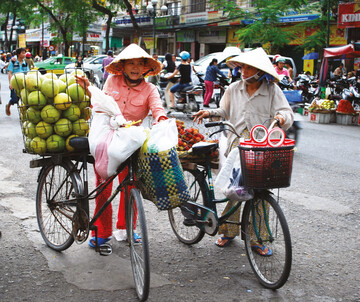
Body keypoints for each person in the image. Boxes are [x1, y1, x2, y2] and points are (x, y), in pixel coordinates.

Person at [193, 47, 294, 251]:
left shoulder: (272, 90)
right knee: (235, 190)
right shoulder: (233, 88)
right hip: (237, 144)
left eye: (249, 68)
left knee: (260, 191)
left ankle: (258, 238)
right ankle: (227, 232)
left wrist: (281, 118)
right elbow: (224, 111)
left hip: (262, 146)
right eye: (243, 67)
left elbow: (286, 112)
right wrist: (209, 112)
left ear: (259, 71)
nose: (244, 71)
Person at [75, 43, 167, 248]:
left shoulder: (150, 89)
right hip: (108, 139)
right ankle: (101, 231)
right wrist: (88, 88)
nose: (135, 67)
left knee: (131, 184)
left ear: (146, 68)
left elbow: (157, 108)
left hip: (132, 142)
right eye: (130, 63)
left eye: (140, 64)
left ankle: (126, 229)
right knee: (103, 187)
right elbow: (101, 104)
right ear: (122, 66)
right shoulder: (112, 81)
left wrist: (161, 120)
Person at [6, 48, 29, 116]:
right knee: (15, 99)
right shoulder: (13, 62)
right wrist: (10, 83)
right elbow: (10, 72)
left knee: (24, 98)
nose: (24, 54)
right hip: (15, 83)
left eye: (25, 53)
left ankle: (24, 113)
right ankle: (8, 106)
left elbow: (27, 73)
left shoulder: (25, 63)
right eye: (22, 53)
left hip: (23, 83)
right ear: (18, 54)